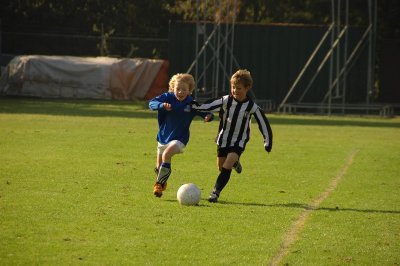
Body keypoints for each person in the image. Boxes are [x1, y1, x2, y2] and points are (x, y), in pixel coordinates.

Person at [192, 69, 273, 202]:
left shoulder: (251, 106)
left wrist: (267, 142)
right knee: (221, 166)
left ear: (247, 88)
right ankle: (235, 163)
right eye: (233, 87)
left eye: (239, 88)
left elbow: (263, 123)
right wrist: (193, 106)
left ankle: (215, 193)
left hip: (239, 140)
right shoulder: (226, 101)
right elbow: (208, 105)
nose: (235, 90)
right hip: (223, 139)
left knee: (227, 165)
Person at [149, 73, 213, 197]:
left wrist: (208, 117)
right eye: (178, 89)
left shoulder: (191, 103)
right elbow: (151, 103)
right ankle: (162, 181)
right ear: (173, 88)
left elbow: (205, 112)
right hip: (163, 136)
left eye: (184, 89)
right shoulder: (167, 97)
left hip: (180, 138)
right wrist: (162, 105)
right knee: (158, 167)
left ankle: (158, 185)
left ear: (189, 90)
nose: (180, 92)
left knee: (167, 155)